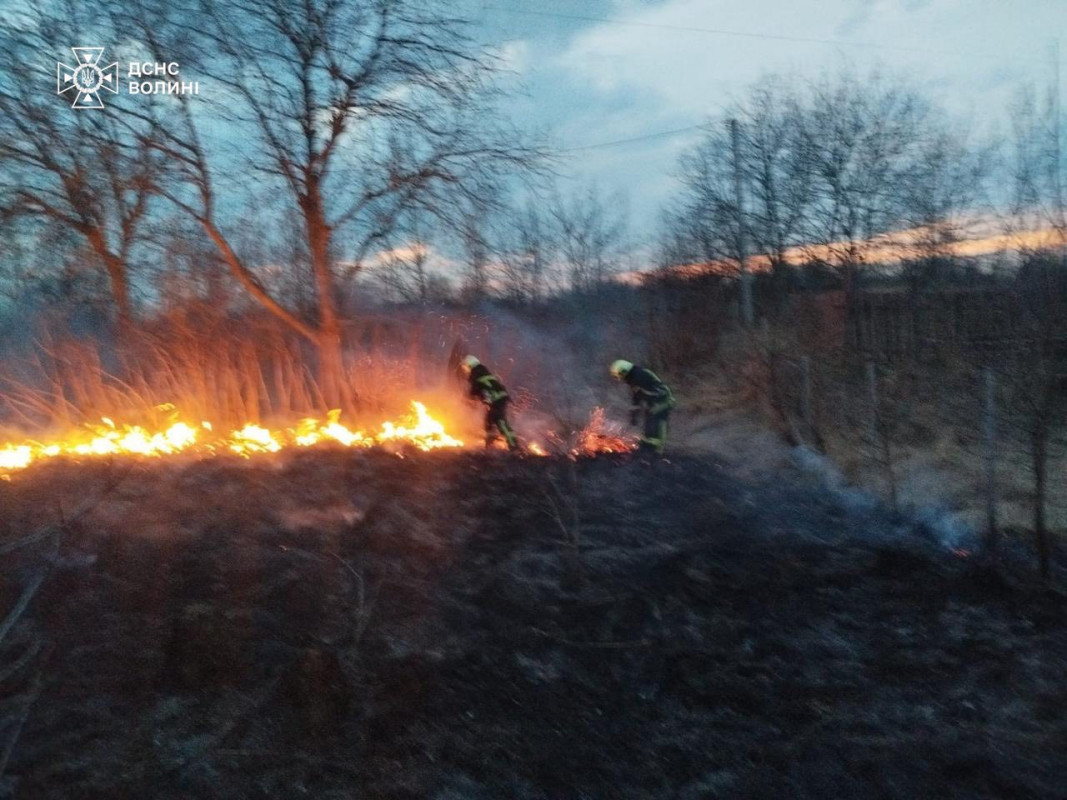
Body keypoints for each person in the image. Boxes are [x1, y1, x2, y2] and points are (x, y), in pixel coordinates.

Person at [609, 359, 675, 455]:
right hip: (654, 399)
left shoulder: (639, 376)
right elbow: (637, 397)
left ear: (624, 371)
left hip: (663, 398)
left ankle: (658, 450)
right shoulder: (633, 377)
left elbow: (646, 393)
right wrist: (634, 415)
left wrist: (642, 399)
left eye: (619, 375)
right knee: (649, 416)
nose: (620, 378)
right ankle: (648, 444)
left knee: (657, 418)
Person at [460, 355, 519, 451]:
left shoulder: (476, 373)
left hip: (497, 399)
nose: (465, 370)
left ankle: (514, 447)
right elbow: (482, 388)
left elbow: (475, 388)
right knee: (489, 421)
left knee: (500, 422)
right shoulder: (481, 371)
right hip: (498, 398)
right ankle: (490, 446)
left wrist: (467, 398)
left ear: (470, 365)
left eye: (465, 367)